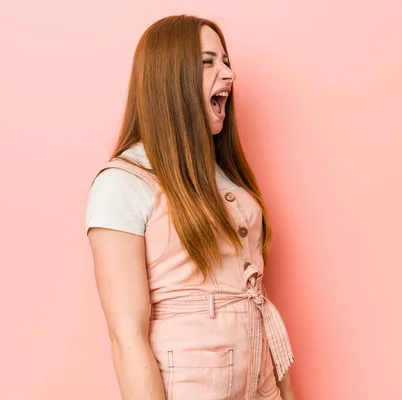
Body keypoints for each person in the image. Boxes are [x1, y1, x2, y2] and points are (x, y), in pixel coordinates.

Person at [85, 15, 296, 400]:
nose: (229, 73)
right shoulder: (124, 182)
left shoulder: (224, 175)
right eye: (208, 61)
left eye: (226, 61)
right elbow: (127, 337)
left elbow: (258, 305)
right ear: (170, 78)